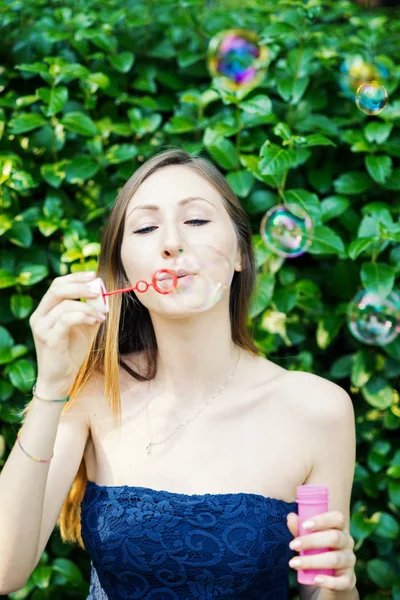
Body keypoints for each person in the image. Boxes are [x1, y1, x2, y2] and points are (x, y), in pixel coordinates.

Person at [0, 148, 358, 599]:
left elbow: (318, 588)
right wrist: (52, 386)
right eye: (147, 228)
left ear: (239, 256)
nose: (171, 242)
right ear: (124, 268)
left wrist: (340, 585)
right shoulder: (91, 394)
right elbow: (3, 571)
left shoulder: (317, 410)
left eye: (196, 220)